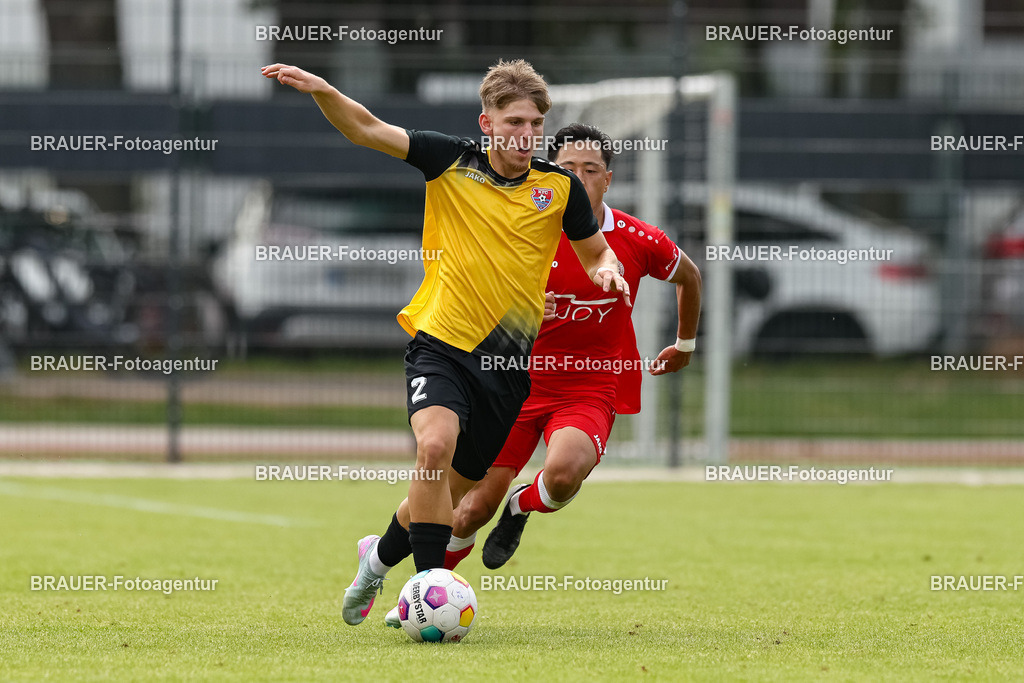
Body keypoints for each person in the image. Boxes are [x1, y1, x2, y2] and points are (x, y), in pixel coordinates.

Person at [261, 60, 631, 626]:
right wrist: (324, 90)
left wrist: (607, 269)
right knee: (433, 448)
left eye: (533, 123)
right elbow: (366, 128)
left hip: (507, 369)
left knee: (443, 495)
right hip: (441, 343)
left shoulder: (558, 190)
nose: (524, 134)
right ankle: (426, 590)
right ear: (487, 123)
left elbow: (595, 250)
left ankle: (376, 563)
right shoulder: (449, 159)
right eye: (512, 121)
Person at [385, 123, 699, 628]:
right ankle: (421, 601)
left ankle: (521, 506)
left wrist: (685, 345)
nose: (579, 177)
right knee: (466, 512)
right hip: (516, 384)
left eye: (590, 170)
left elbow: (690, 276)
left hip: (590, 385)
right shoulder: (524, 230)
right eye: (568, 169)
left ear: (608, 179)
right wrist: (523, 303)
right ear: (553, 173)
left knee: (563, 473)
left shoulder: (636, 239)